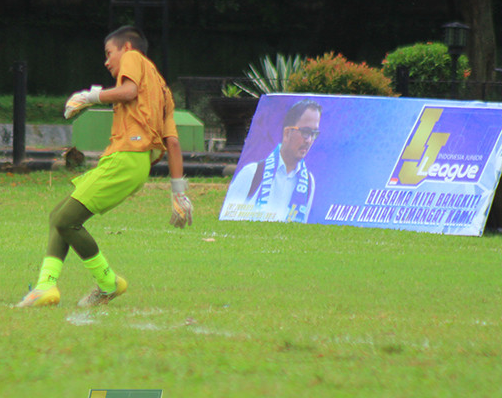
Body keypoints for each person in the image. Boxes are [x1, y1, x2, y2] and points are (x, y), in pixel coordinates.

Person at [16, 26, 192, 308]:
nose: (107, 61)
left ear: (127, 49)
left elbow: (128, 90)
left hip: (126, 159)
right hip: (133, 165)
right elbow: (172, 143)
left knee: (66, 221)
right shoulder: (163, 91)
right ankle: (45, 286)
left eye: (109, 53)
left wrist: (89, 96)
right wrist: (178, 193)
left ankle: (108, 283)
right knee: (58, 216)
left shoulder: (134, 60)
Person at [220, 99, 321, 223]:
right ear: (287, 133)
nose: (309, 140)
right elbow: (227, 221)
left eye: (314, 133)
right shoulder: (251, 173)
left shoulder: (309, 182)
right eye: (305, 132)